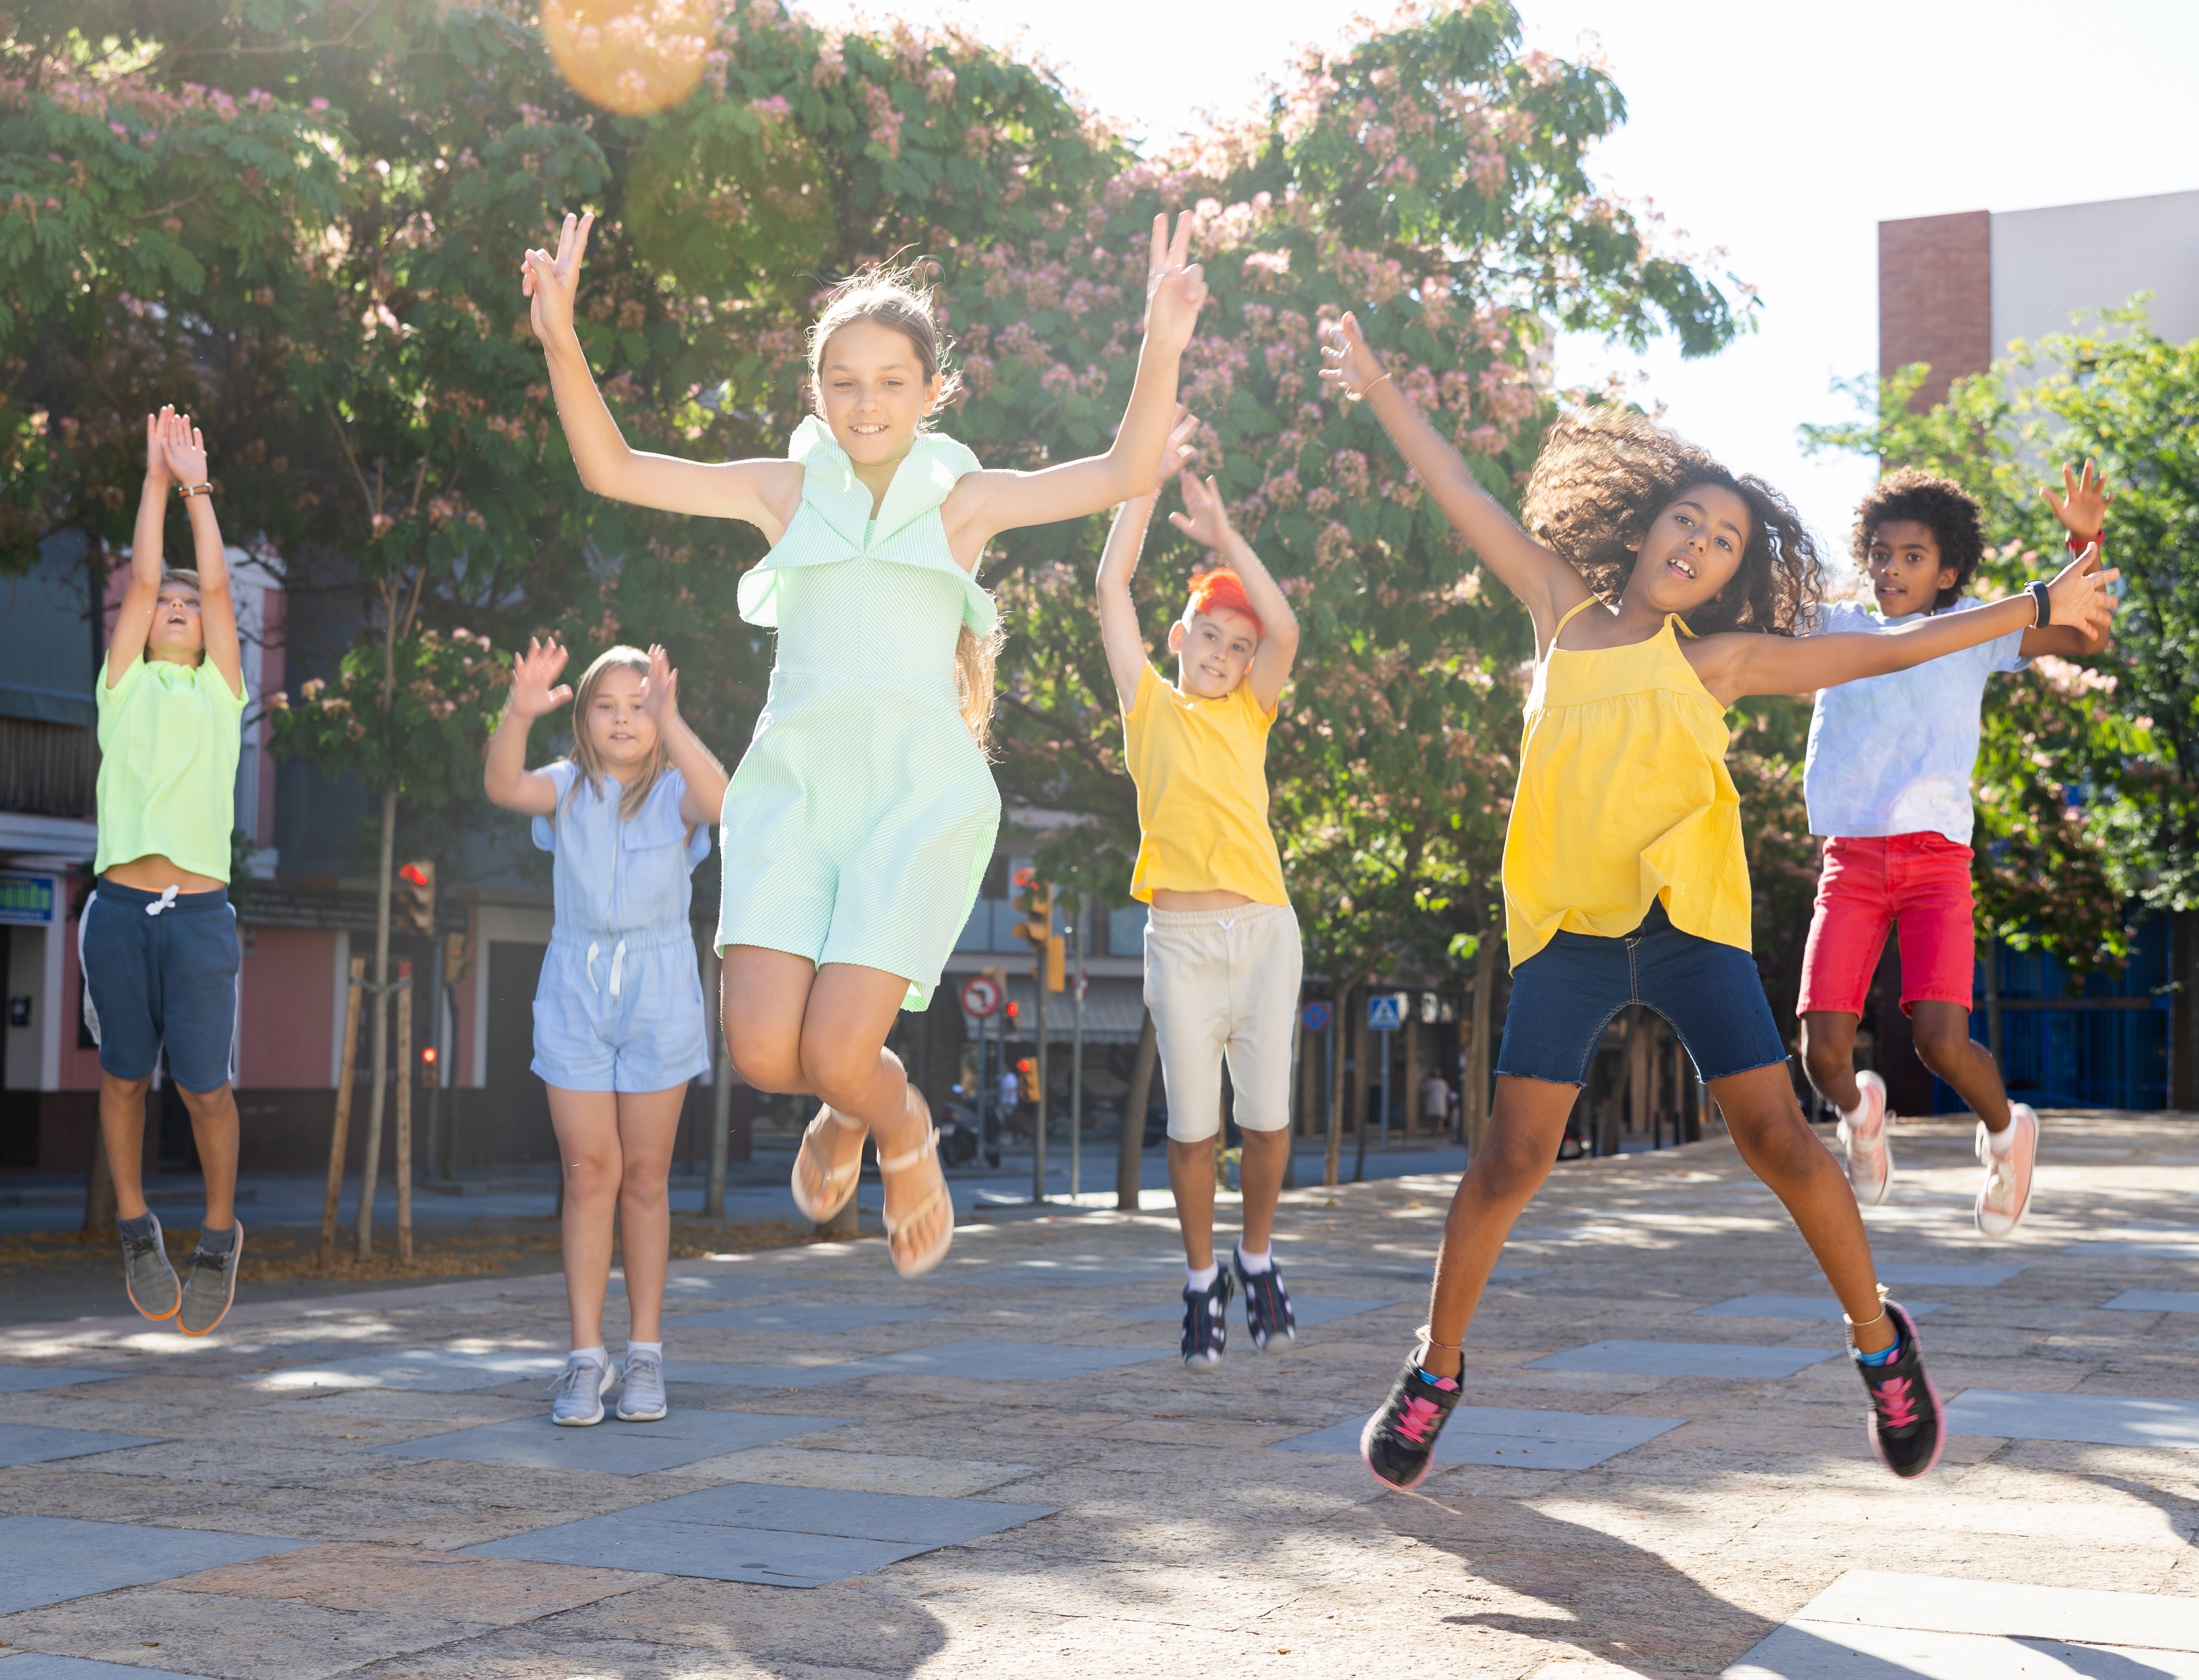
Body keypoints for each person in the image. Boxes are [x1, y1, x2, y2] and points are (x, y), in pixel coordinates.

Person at [1321, 313, 2116, 1489]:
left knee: (1778, 1140)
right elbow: (1455, 488)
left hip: (1685, 925)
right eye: (1685, 517)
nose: (1697, 538)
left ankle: (1878, 1343)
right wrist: (1381, 383)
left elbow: (1895, 652)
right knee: (1506, 1160)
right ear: (1641, 530)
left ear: (1733, 573)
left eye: (1724, 536)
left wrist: (2030, 603)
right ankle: (1435, 1370)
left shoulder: (1719, 661)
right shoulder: (1555, 610)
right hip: (1567, 934)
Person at [523, 211, 1207, 1278]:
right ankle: (848, 1108)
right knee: (760, 1052)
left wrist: (1160, 341)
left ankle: (892, 1123)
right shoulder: (782, 490)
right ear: (816, 392)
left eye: (891, 380)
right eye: (842, 380)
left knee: (840, 1053)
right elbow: (612, 468)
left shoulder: (965, 502)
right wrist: (560, 334)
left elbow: (1122, 471)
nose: (866, 401)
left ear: (931, 391)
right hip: (793, 793)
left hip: (911, 797)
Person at [1798, 466, 2113, 1236]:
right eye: (1879, 553)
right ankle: (1861, 1113)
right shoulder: (1834, 625)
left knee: (1939, 1041)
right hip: (1851, 862)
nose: (1890, 570)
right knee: (1822, 1056)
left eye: (1911, 557)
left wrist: (2083, 538)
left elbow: (2085, 630)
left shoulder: (1976, 629)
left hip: (1936, 862)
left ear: (1946, 570)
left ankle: (2008, 1135)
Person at [484, 641, 729, 1426]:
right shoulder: (565, 789)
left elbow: (725, 802)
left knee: (647, 1179)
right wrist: (519, 711)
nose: (624, 718)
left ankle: (646, 1358)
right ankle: (584, 1361)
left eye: (638, 704)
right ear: (583, 720)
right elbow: (502, 784)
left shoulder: (674, 796)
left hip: (660, 987)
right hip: (574, 985)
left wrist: (674, 719)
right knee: (589, 1172)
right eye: (607, 705)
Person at [1097, 444, 1302, 1368]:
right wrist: (1137, 484)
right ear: (1179, 638)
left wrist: (1227, 535)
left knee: (1265, 1122)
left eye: (1238, 646)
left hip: (1262, 932)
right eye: (1208, 636)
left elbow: (1287, 629)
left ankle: (1254, 1256)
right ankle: (1198, 1281)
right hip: (1178, 941)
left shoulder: (1250, 712)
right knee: (1193, 1130)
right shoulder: (1149, 706)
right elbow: (1110, 590)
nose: (1224, 654)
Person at [86, 408, 250, 1337]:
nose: (180, 610)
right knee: (121, 1078)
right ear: (143, 630)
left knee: (203, 1089)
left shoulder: (221, 694)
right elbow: (143, 576)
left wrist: (195, 487)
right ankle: (135, 1224)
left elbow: (219, 588)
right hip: (118, 909)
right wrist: (152, 479)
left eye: (190, 607)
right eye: (166, 608)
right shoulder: (125, 687)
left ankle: (219, 1236)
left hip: (200, 915)